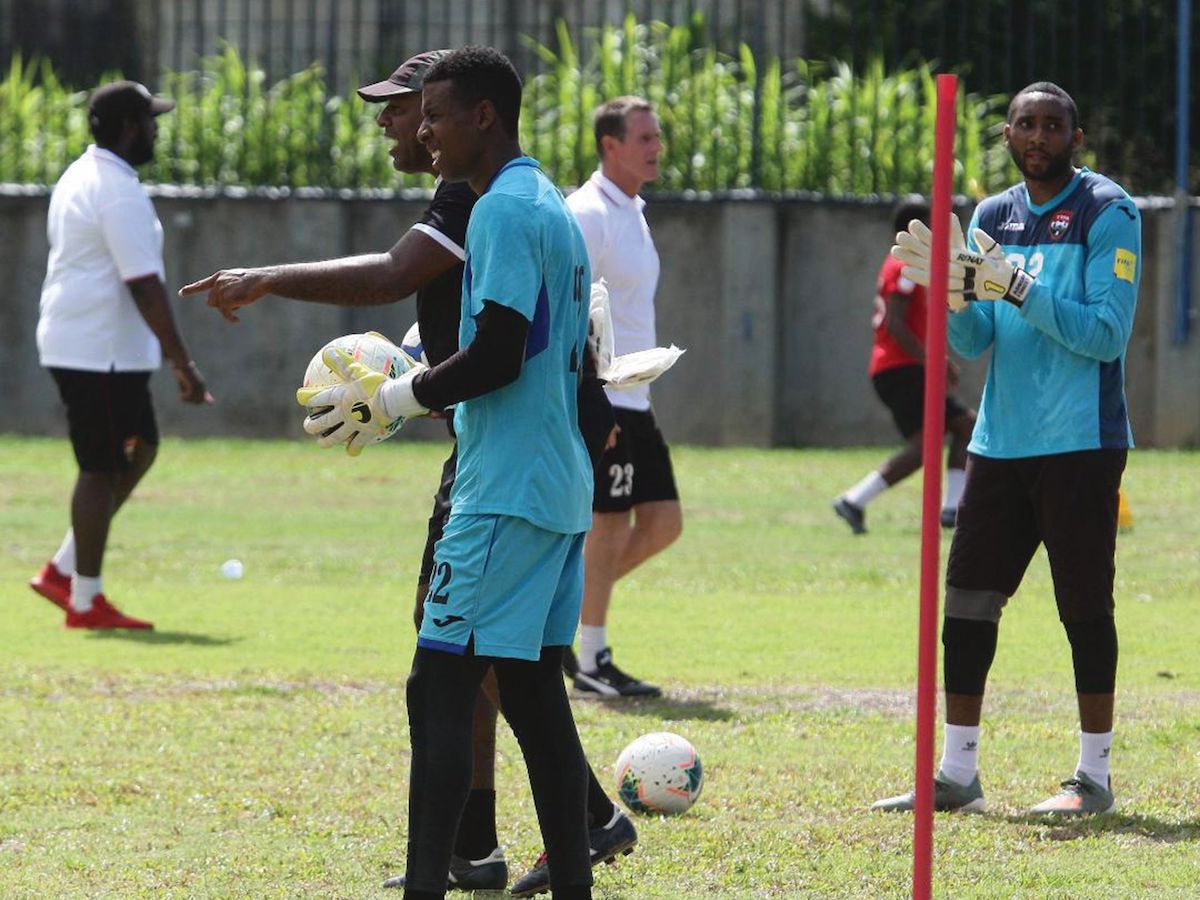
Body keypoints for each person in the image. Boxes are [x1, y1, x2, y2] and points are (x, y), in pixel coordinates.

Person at [179, 51, 633, 893]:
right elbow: (544, 349)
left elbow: (497, 353)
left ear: (485, 116)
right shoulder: (550, 206)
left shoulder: (498, 210)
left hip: (500, 488)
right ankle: (575, 875)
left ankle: (436, 880)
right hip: (556, 484)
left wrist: (396, 396)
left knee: (439, 688)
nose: (422, 129)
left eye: (435, 113)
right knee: (532, 691)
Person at [874, 81, 1140, 816]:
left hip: (1081, 442)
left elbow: (1104, 334)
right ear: (1007, 136)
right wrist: (957, 301)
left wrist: (1016, 286)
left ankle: (1094, 778)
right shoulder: (991, 214)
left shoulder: (1108, 212)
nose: (1038, 136)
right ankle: (957, 775)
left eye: (1054, 125)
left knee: (1084, 605)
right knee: (966, 603)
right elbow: (975, 342)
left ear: (1075, 138)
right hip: (997, 442)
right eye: (1026, 124)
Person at [29, 80, 210, 630]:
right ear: (131, 128)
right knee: (100, 466)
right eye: (152, 121)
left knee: (143, 447)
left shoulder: (88, 174)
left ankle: (64, 569)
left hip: (97, 345)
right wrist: (183, 362)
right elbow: (144, 284)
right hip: (97, 349)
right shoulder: (115, 188)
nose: (157, 129)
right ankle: (85, 600)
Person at [563, 96, 681, 698]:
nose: (657, 146)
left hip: (637, 396)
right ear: (610, 146)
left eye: (657, 136)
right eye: (645, 138)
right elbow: (565, 304)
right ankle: (589, 656)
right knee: (606, 527)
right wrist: (588, 397)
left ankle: (569, 619)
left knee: (663, 523)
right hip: (605, 394)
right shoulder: (588, 212)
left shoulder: (632, 209)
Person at [833, 200, 977, 535]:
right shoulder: (904, 265)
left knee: (952, 432)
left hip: (899, 368)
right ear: (914, 229)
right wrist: (933, 361)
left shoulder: (900, 263)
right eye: (931, 225)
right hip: (901, 368)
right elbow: (895, 323)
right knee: (947, 435)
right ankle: (859, 500)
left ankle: (860, 501)